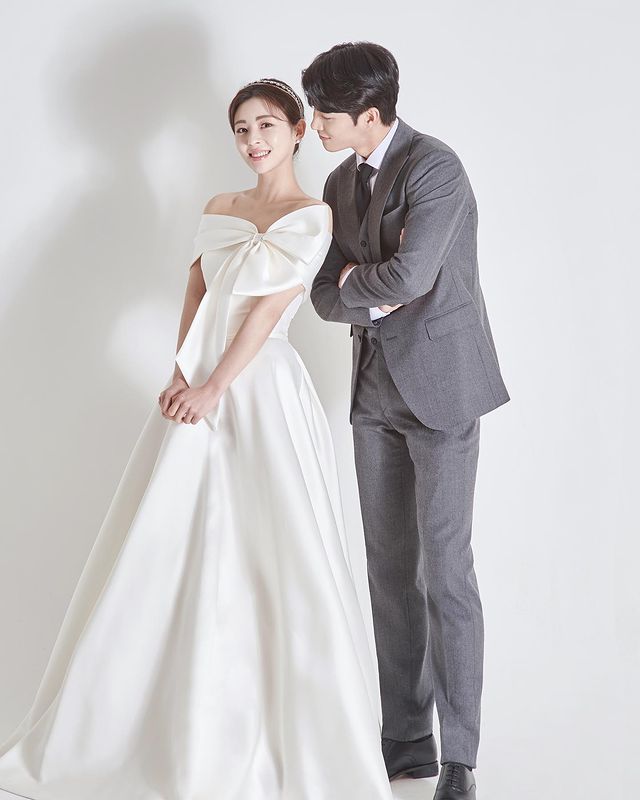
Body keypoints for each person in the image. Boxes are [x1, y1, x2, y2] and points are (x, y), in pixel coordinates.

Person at [0, 78, 394, 800]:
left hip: (261, 388)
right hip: (200, 380)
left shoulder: (313, 215)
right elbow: (195, 287)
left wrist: (215, 386)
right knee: (170, 538)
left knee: (273, 546)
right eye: (241, 129)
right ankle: (140, 725)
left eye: (266, 126)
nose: (253, 140)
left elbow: (267, 311)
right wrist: (184, 370)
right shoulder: (219, 208)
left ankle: (285, 738)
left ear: (298, 130)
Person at [302, 42, 511, 800]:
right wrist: (365, 289)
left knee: (446, 572)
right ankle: (406, 741)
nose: (314, 125)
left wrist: (360, 281)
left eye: (324, 113)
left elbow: (414, 274)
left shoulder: (435, 167)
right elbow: (322, 294)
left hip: (442, 391)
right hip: (374, 397)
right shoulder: (338, 181)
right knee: (390, 574)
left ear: (369, 114)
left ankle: (461, 758)